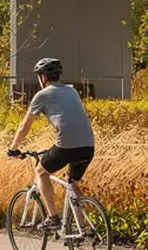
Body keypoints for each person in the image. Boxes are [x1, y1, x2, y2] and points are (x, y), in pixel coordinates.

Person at [8, 55, 94, 228]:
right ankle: (82, 227)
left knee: (41, 172)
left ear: (43, 77)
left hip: (67, 145)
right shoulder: (72, 91)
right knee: (72, 183)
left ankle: (52, 217)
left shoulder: (42, 95)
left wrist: (13, 148)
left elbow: (24, 126)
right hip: (88, 145)